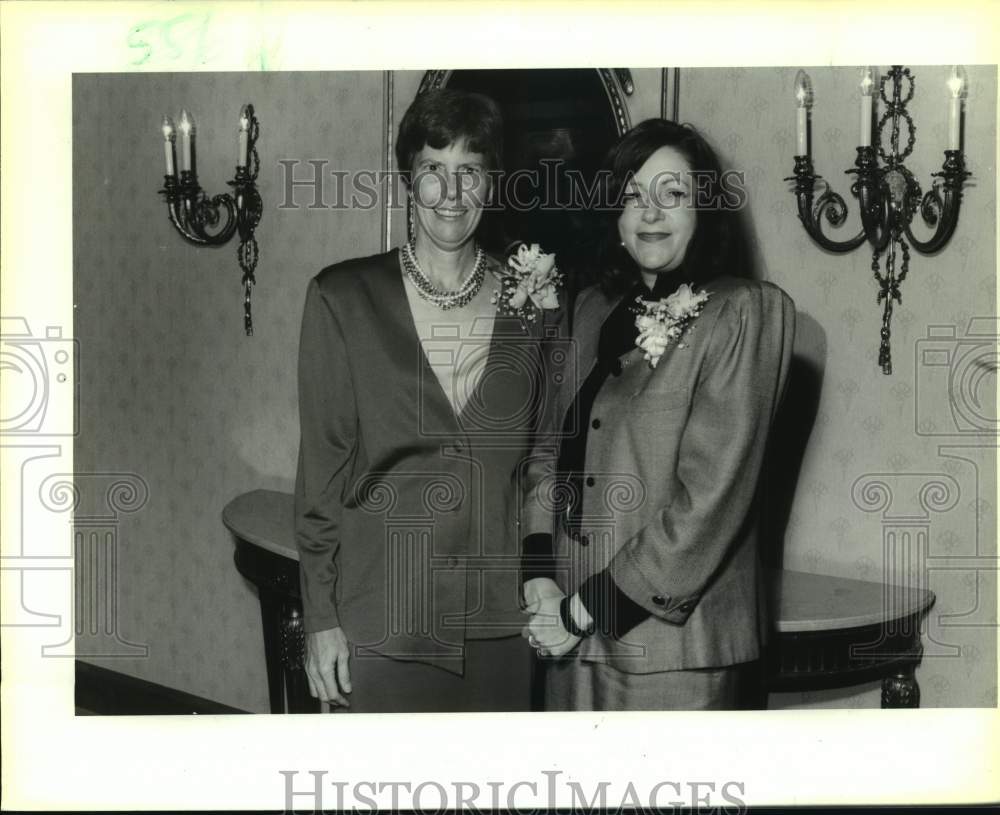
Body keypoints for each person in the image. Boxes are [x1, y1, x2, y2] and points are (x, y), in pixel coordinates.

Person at [294, 89, 562, 712]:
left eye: (469, 172)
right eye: (432, 171)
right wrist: (319, 616)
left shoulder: (535, 305)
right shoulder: (342, 299)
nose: (450, 193)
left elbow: (542, 462)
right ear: (407, 183)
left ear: (491, 185)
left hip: (501, 623)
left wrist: (541, 572)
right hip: (379, 621)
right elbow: (321, 477)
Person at [520, 118, 795, 710]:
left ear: (705, 211)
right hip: (567, 639)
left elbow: (710, 502)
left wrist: (585, 608)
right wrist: (539, 573)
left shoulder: (745, 312)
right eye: (633, 196)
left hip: (673, 653)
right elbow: (547, 449)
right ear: (614, 217)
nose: (650, 214)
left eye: (672, 195)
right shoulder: (589, 308)